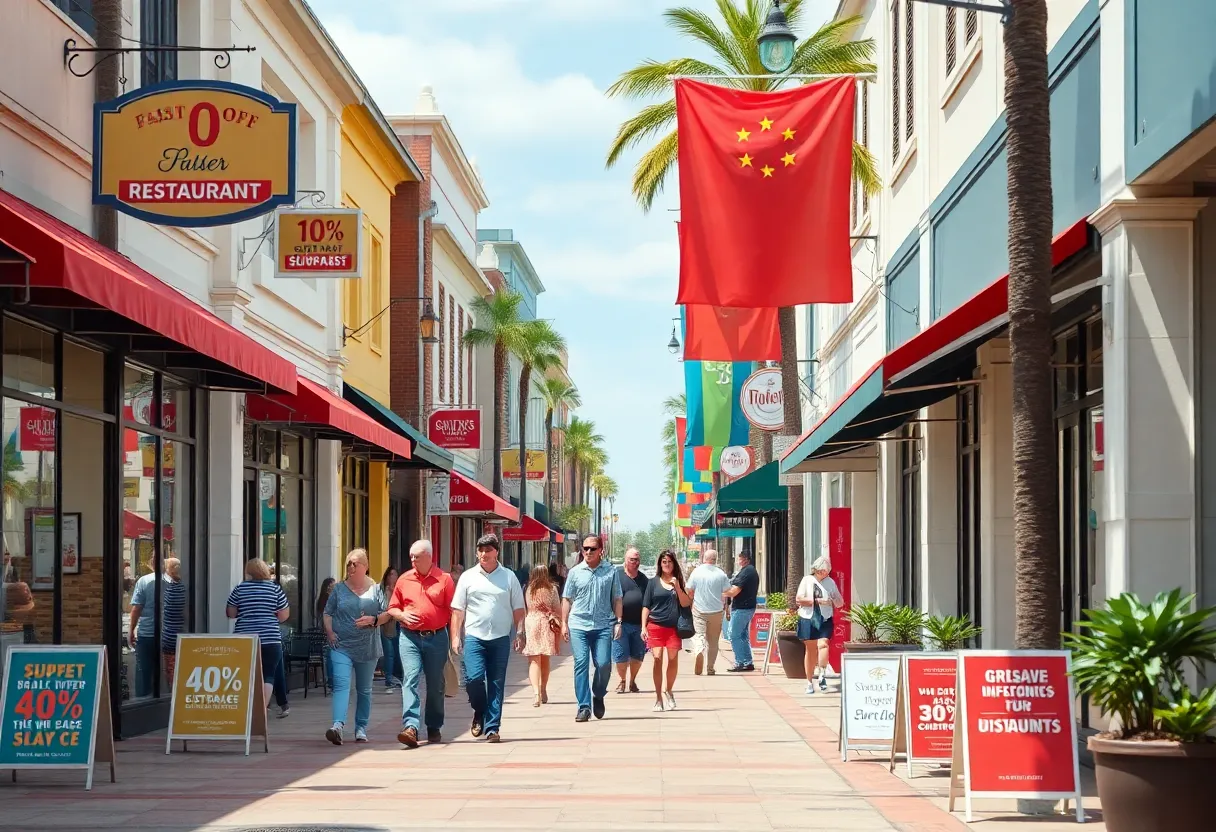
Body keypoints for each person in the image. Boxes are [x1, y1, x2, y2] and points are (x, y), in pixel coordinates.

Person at [451, 534, 525, 743]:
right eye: (481, 550)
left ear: (496, 552)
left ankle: (492, 727)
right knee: (473, 680)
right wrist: (456, 637)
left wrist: (520, 632)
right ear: (477, 552)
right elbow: (458, 609)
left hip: (500, 638)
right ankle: (479, 711)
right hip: (475, 637)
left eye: (488, 550)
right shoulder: (467, 577)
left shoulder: (509, 577)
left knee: (496, 682)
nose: (484, 554)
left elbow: (519, 608)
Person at [388, 540, 454, 748]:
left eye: (416, 556)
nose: (412, 560)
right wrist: (401, 615)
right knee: (410, 678)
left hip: (437, 637)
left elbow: (454, 611)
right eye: (411, 556)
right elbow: (392, 607)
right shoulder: (404, 579)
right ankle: (411, 726)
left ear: (429, 556)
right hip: (409, 637)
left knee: (436, 684)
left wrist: (455, 639)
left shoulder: (444, 580)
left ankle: (434, 725)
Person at [323, 549, 390, 744]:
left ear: (365, 566)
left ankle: (361, 727)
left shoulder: (376, 589)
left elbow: (387, 613)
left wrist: (374, 620)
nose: (351, 567)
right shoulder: (338, 589)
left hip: (367, 647)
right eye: (348, 564)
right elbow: (327, 613)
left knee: (364, 689)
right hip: (341, 645)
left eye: (355, 563)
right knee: (341, 685)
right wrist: (330, 632)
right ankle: (337, 726)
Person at [561, 534, 623, 723]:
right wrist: (564, 622)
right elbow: (566, 598)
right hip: (579, 624)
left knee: (603, 664)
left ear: (600, 551)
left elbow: (617, 598)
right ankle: (584, 707)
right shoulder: (575, 572)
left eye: (592, 549)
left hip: (603, 625)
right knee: (581, 664)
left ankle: (598, 693)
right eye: (585, 548)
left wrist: (619, 622)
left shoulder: (610, 572)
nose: (588, 552)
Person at [226, 559, 291, 717]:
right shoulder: (274, 589)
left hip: (245, 639)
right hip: (270, 637)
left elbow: (231, 613)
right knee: (268, 674)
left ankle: (245, 709)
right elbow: (283, 615)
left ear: (248, 572)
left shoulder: (240, 589)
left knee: (245, 673)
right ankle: (260, 711)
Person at [641, 550, 692, 712]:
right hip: (655, 626)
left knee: (673, 659)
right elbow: (646, 605)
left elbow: (685, 603)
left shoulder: (679, 582)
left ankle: (668, 690)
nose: (667, 564)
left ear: (674, 564)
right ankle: (658, 698)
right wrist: (643, 626)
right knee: (657, 659)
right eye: (664, 562)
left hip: (673, 627)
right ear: (660, 564)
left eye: (669, 561)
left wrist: (677, 586)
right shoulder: (653, 582)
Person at [796, 556, 845, 694]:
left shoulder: (830, 582)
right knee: (811, 650)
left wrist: (834, 599)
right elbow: (798, 599)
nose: (824, 574)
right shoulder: (807, 580)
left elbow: (840, 602)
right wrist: (817, 601)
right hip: (808, 617)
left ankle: (822, 674)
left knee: (823, 644)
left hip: (825, 618)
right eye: (821, 571)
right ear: (815, 570)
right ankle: (809, 682)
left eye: (826, 571)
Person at [686, 548, 731, 676]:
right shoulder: (721, 574)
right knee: (713, 641)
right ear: (715, 559)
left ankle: (699, 650)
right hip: (717, 611)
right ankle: (710, 668)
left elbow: (689, 589)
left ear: (704, 559)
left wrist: (691, 600)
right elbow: (727, 592)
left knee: (699, 635)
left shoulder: (697, 572)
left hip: (699, 610)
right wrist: (727, 609)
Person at [522, 563, 561, 706]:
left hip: (532, 622)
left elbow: (526, 607)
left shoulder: (528, 589)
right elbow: (557, 608)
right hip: (546, 623)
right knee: (545, 659)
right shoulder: (552, 589)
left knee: (533, 660)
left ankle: (536, 694)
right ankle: (543, 689)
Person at [612, 547, 648, 694]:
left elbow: (648, 602)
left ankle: (632, 680)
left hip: (639, 625)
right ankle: (622, 681)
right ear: (625, 560)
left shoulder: (644, 579)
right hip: (621, 624)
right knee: (620, 656)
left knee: (637, 656)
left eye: (637, 559)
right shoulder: (617, 576)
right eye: (632, 559)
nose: (635, 562)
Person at [128, 555, 161, 698]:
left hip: (147, 631)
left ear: (150, 564)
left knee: (143, 669)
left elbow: (137, 608)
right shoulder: (174, 581)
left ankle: (143, 700)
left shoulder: (144, 581)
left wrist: (131, 630)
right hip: (169, 632)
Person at [723, 551, 760, 672]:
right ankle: (747, 662)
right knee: (743, 635)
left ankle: (740, 662)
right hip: (746, 607)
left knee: (733, 635)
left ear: (745, 559)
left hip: (742, 608)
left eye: (739, 559)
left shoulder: (747, 572)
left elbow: (734, 591)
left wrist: (719, 592)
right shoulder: (749, 571)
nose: (737, 561)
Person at [160, 557, 187, 688]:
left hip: (169, 636)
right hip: (183, 634)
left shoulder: (169, 589)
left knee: (171, 669)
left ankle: (173, 691)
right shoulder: (185, 589)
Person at [378, 567, 402, 691]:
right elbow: (382, 607)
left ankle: (397, 676)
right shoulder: (382, 590)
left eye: (395, 574)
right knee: (389, 654)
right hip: (386, 625)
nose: (393, 577)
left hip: (399, 624)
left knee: (398, 653)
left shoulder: (400, 590)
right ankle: (388, 680)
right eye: (391, 574)